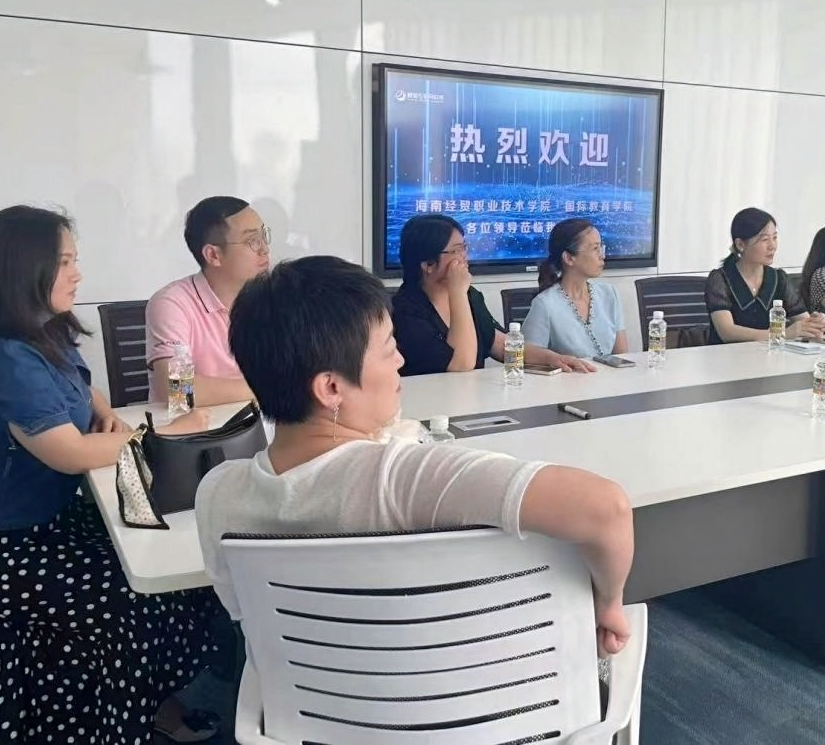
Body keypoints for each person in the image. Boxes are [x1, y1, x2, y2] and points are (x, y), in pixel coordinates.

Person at [195, 255, 635, 661]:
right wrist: (609, 603)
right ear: (331, 388)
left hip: (302, 707)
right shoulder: (402, 476)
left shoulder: (216, 494)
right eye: (389, 348)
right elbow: (606, 509)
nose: (401, 361)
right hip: (455, 697)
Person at [0, 206, 218, 744]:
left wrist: (104, 413)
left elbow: (83, 387)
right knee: (124, 594)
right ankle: (92, 724)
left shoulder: (43, 331)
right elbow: (74, 451)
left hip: (46, 518)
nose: (78, 274)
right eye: (65, 262)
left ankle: (143, 703)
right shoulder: (6, 357)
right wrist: (161, 434)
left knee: (178, 561)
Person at [390, 214, 595, 376]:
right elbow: (461, 364)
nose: (465, 257)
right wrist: (457, 292)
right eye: (456, 251)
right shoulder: (405, 311)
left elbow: (501, 345)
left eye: (464, 248)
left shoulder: (471, 296)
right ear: (428, 264)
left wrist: (552, 358)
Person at [145, 195, 269, 406]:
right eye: (252, 240)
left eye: (264, 236)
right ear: (213, 255)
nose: (264, 249)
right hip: (194, 425)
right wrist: (269, 388)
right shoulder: (172, 304)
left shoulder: (271, 300)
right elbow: (177, 389)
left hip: (259, 419)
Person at [704, 207, 825, 345]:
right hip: (726, 355)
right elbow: (727, 332)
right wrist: (781, 334)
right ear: (740, 244)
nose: (772, 246)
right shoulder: (720, 279)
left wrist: (816, 323)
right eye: (764, 239)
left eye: (774, 237)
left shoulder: (778, 278)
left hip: (769, 354)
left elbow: (803, 321)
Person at [522, 219, 628, 358]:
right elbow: (527, 357)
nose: (602, 255)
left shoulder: (609, 294)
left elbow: (622, 357)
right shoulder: (545, 304)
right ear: (568, 258)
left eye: (601, 247)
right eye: (595, 249)